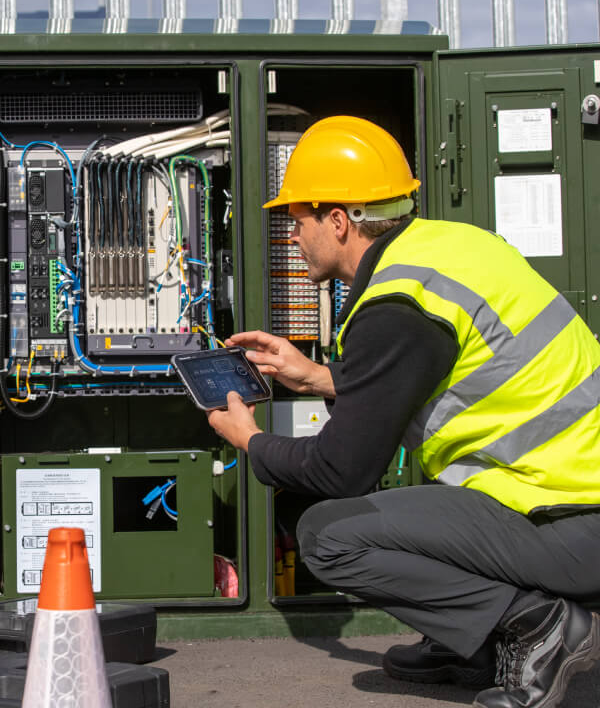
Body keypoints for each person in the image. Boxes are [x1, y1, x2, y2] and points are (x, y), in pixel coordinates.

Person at [207, 115, 600, 708]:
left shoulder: (396, 305)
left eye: (298, 219)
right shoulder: (449, 248)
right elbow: (430, 377)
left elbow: (340, 473)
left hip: (569, 521)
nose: (293, 236)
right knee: (413, 507)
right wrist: (316, 376)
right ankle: (473, 638)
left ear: (338, 220)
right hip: (563, 500)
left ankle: (540, 629)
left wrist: (250, 441)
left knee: (329, 534)